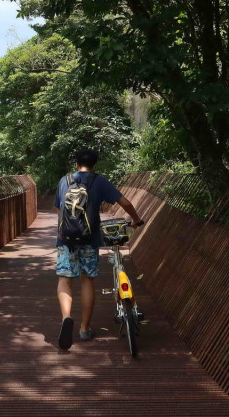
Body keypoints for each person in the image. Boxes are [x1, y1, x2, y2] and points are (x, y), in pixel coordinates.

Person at [54, 149, 144, 350]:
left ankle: (67, 317)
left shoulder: (64, 181)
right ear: (95, 165)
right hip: (90, 239)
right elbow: (125, 202)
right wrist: (136, 220)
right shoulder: (98, 181)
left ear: (76, 164)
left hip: (66, 240)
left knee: (64, 280)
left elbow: (59, 209)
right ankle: (85, 329)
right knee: (87, 280)